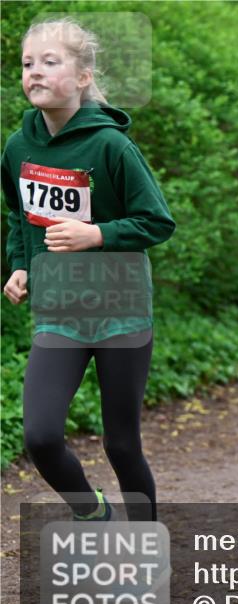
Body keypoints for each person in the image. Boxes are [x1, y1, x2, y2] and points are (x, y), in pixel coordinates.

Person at [2, 18, 175, 522]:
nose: (34, 72)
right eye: (27, 64)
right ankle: (92, 512)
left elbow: (156, 221)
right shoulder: (18, 147)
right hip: (58, 311)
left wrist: (96, 234)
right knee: (40, 436)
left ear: (82, 77)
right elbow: (20, 215)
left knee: (121, 445)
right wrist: (21, 265)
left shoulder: (111, 146)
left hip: (121, 311)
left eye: (49, 62)